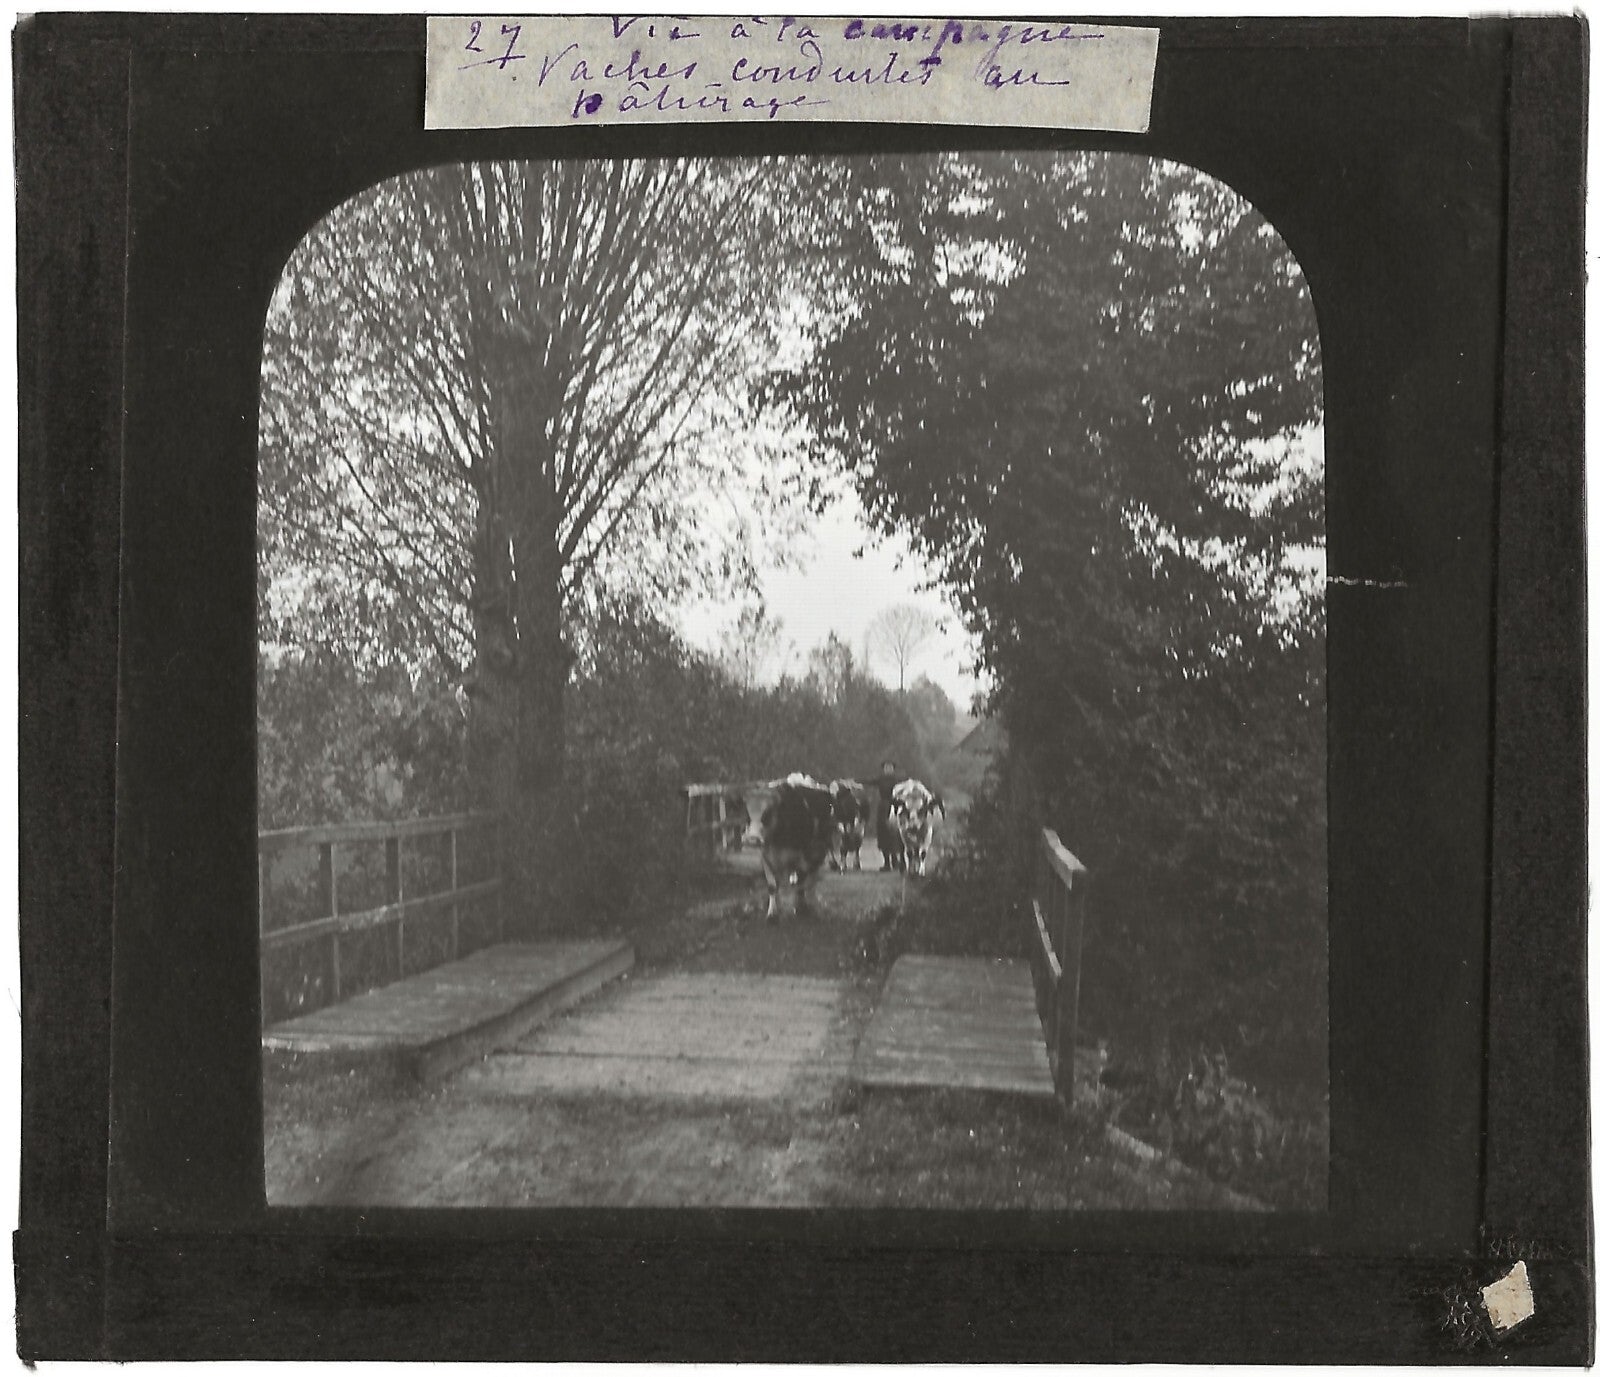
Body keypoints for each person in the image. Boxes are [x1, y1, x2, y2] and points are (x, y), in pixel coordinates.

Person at [875, 759, 905, 872]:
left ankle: (896, 860)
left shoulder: (897, 781)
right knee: (882, 834)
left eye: (890, 767)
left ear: (893, 769)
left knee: (896, 834)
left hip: (894, 807)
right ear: (883, 769)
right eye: (886, 767)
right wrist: (855, 781)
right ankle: (886, 862)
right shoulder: (880, 780)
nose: (888, 769)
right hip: (882, 808)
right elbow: (869, 782)